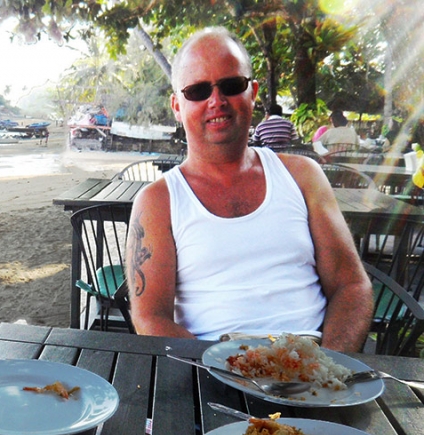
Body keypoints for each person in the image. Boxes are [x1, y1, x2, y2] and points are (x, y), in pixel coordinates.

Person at [125, 27, 373, 353]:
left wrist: (327, 369)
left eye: (231, 85)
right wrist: (235, 372)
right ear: (176, 106)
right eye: (198, 91)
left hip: (314, 368)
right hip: (212, 373)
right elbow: (150, 318)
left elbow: (352, 285)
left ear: (253, 92)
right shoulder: (158, 201)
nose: (216, 101)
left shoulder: (301, 176)